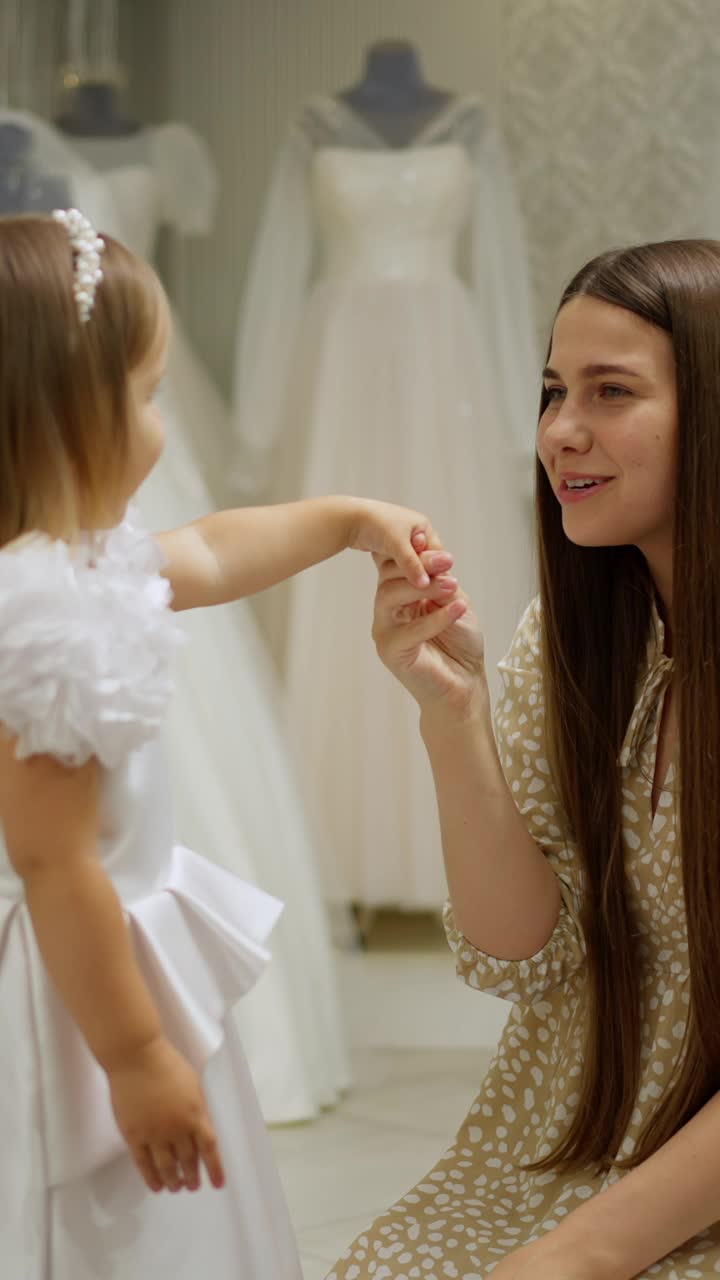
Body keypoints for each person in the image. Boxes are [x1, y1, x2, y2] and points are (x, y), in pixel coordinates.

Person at [0, 208, 452, 1280]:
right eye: (149, 395)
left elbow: (207, 547)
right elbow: (56, 862)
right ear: (66, 409)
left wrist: (346, 519)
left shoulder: (86, 561)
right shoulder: (41, 613)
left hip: (113, 952)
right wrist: (138, 1052)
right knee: (122, 1220)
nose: (161, 426)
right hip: (82, 989)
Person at [329, 239, 720, 1279]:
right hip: (582, 1145)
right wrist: (450, 717)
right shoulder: (582, 635)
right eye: (552, 391)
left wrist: (577, 1257)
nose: (562, 432)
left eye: (611, 390)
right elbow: (523, 954)